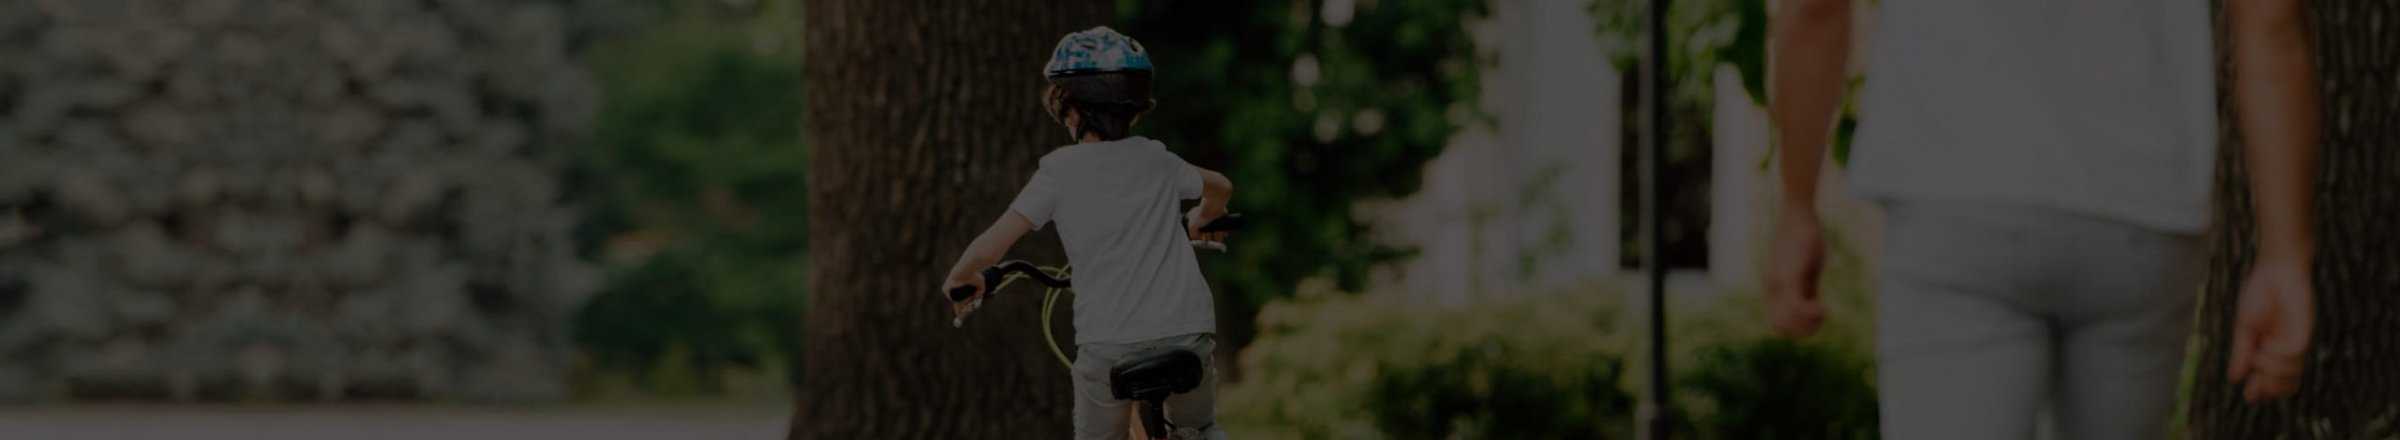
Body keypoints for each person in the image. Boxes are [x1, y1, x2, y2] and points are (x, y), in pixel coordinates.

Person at [1765, 0, 2320, 438]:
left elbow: (1815, 8)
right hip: (2141, 211)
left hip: (1958, 197)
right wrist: (2285, 256)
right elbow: (2270, 22)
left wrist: (1796, 207)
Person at [940, 26, 1235, 440]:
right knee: (1199, 428)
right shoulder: (1157, 159)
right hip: (1186, 333)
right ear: (1135, 108)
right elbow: (1220, 185)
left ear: (1071, 111)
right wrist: (1205, 215)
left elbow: (993, 244)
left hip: (1109, 344)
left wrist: (962, 276)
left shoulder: (1058, 171)